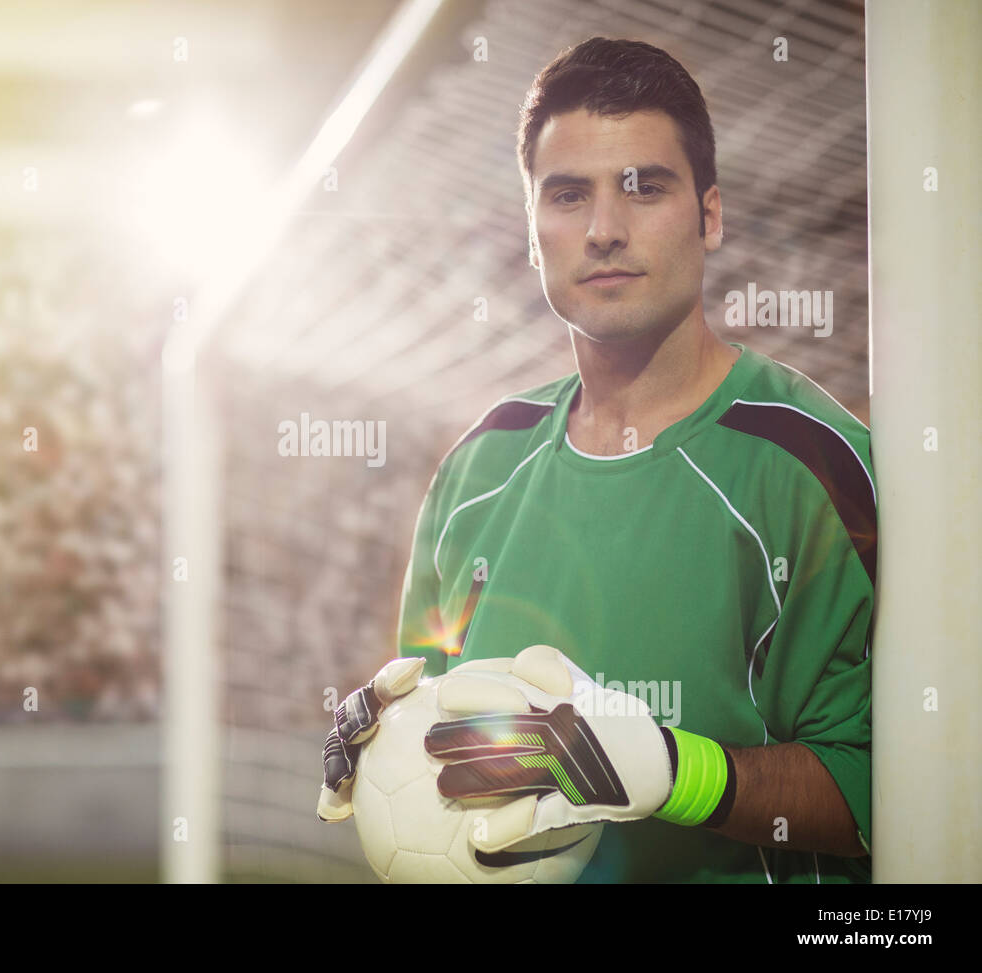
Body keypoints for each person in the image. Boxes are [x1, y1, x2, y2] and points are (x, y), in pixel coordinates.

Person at [318, 36, 874, 883]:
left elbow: (897, 788)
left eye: (645, 188)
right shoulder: (478, 465)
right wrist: (389, 736)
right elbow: (452, 743)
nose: (606, 229)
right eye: (569, 195)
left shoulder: (814, 464)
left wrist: (671, 771)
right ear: (534, 233)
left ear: (711, 214)